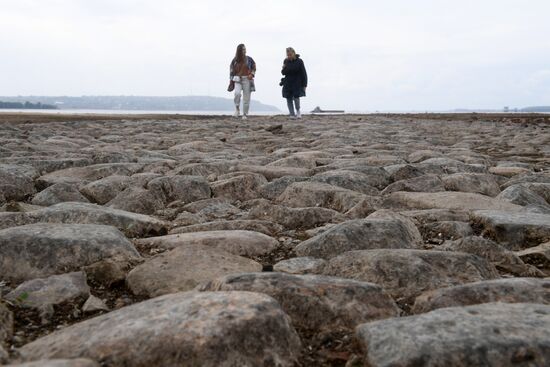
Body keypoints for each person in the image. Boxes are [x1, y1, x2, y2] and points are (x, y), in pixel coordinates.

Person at [229, 44, 256, 120]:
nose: (245, 51)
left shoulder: (249, 59)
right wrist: (231, 81)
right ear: (239, 51)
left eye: (245, 49)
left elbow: (254, 67)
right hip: (237, 79)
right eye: (243, 49)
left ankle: (245, 114)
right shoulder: (235, 60)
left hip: (247, 79)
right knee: (237, 94)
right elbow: (231, 70)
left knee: (246, 98)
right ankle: (237, 109)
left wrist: (252, 74)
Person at [281, 47, 307, 119]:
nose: (289, 56)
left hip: (297, 82)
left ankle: (298, 111)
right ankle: (292, 114)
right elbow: (283, 73)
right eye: (288, 55)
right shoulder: (286, 61)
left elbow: (303, 73)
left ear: (294, 53)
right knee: (288, 98)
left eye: (290, 54)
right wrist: (283, 68)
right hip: (288, 82)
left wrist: (304, 84)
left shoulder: (299, 61)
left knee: (296, 98)